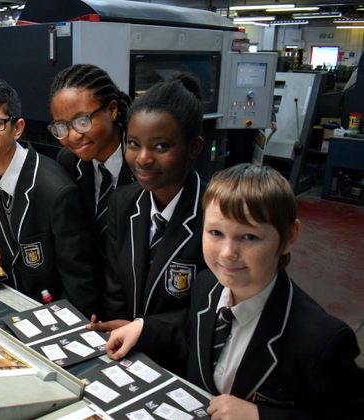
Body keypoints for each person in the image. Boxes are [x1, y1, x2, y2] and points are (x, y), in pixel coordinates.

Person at [106, 163, 364, 419]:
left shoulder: (321, 340)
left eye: (249, 237)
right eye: (216, 232)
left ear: (289, 237)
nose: (228, 253)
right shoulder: (207, 285)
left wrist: (261, 415)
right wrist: (143, 327)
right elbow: (193, 328)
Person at [0, 76, 99, 318]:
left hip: (52, 314)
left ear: (18, 128)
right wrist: (7, 251)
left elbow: (81, 287)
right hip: (16, 303)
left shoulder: (55, 191)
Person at [89, 73, 206, 331]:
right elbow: (116, 287)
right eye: (133, 144)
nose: (142, 159)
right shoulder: (123, 202)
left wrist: (143, 331)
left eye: (161, 146)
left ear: (194, 148)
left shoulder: (214, 216)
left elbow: (208, 313)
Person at [49, 64, 134, 258]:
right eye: (61, 126)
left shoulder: (142, 164)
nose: (73, 136)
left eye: (82, 121)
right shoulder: (68, 161)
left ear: (112, 110)